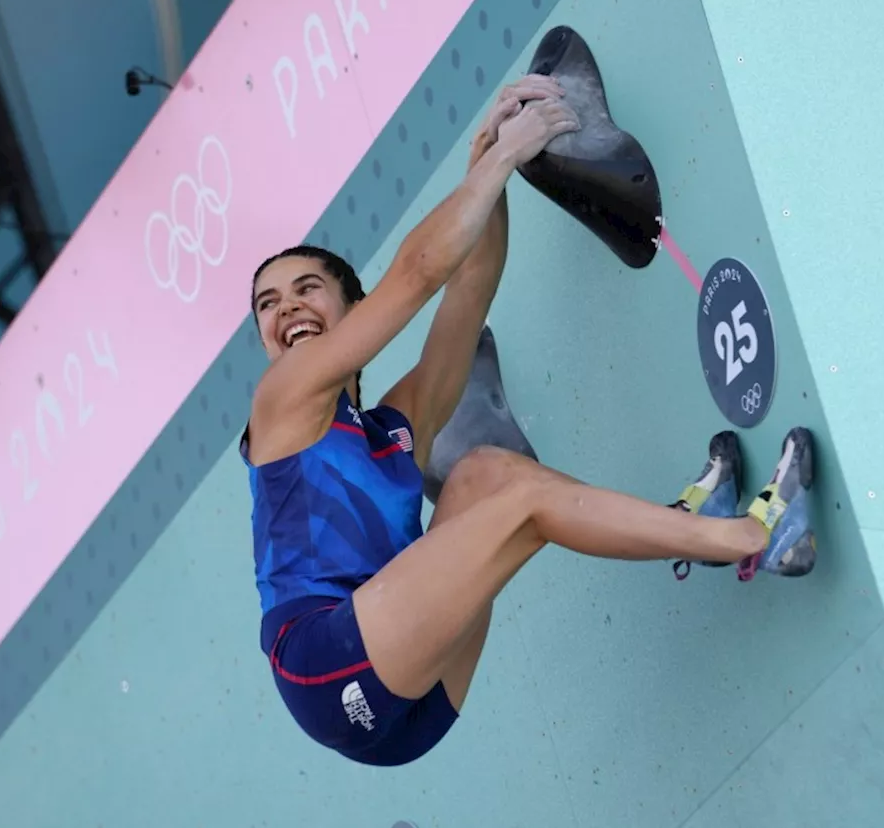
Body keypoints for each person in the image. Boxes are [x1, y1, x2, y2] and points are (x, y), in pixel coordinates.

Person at [239, 74, 816, 767]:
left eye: (307, 289)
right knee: (523, 504)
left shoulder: (394, 427)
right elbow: (420, 271)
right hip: (327, 668)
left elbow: (467, 288)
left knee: (485, 475)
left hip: (413, 707)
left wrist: (488, 168)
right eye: (268, 304)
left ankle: (701, 522)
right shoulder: (280, 402)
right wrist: (502, 159)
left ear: (348, 304)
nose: (287, 310)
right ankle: (751, 534)